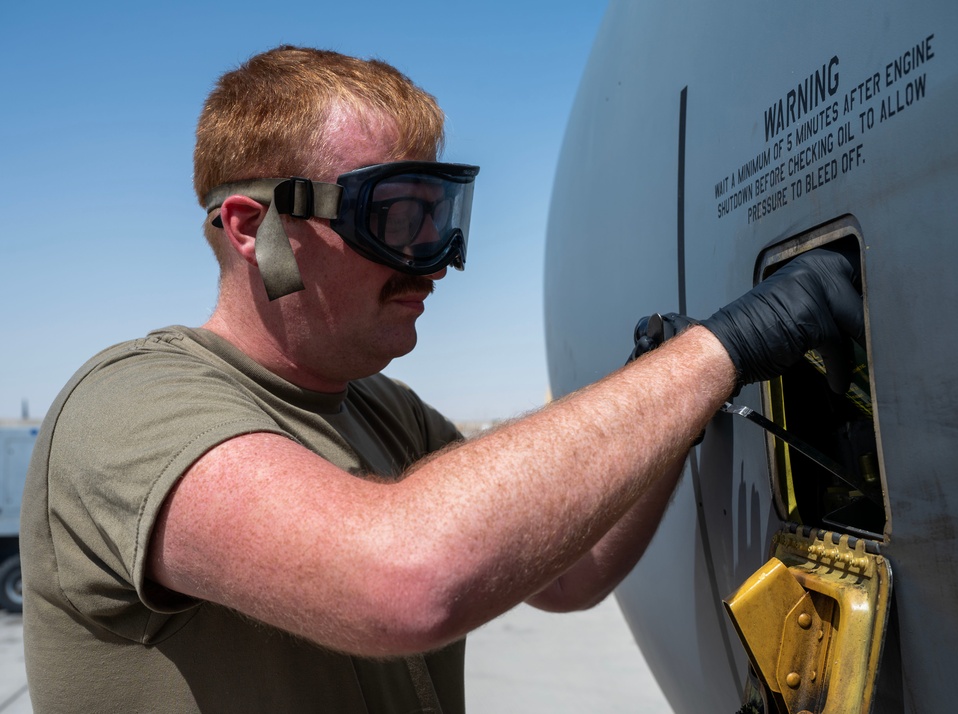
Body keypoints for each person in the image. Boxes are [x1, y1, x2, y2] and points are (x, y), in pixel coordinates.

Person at [20, 46, 863, 713]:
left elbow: (564, 572)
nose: (435, 265)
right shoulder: (129, 407)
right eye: (395, 218)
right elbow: (401, 583)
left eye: (440, 219)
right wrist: (717, 352)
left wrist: (669, 397)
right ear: (254, 228)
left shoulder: (383, 413)